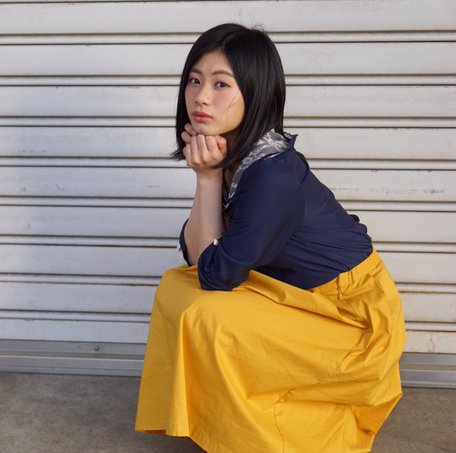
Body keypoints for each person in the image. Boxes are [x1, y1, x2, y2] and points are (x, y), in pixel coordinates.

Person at [135, 23, 406, 452]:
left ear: (256, 93)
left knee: (207, 315)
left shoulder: (271, 173)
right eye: (194, 80)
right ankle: (217, 420)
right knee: (176, 288)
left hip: (350, 318)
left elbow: (215, 274)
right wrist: (208, 176)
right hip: (301, 297)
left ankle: (265, 435)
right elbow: (197, 258)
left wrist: (207, 178)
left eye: (221, 84)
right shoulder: (234, 154)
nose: (201, 97)